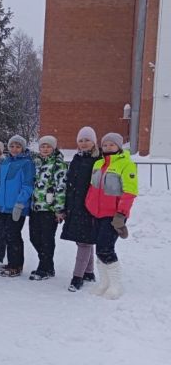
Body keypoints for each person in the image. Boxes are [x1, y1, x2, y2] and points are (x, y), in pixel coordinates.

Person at [84, 132, 137, 299]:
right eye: (105, 144)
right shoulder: (98, 163)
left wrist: (121, 215)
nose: (108, 147)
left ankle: (116, 285)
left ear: (119, 146)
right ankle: (104, 283)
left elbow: (129, 192)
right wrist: (89, 205)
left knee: (106, 249)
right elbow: (93, 188)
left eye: (111, 144)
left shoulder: (126, 164)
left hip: (113, 215)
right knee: (100, 249)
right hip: (96, 214)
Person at [61, 127, 101, 292]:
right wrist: (66, 206)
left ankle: (77, 277)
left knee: (84, 242)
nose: (84, 143)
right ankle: (89, 272)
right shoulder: (76, 159)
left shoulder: (98, 160)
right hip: (75, 206)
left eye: (87, 140)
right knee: (84, 240)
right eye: (81, 140)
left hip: (89, 207)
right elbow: (70, 184)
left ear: (94, 142)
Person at [0, 135, 35, 278]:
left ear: (22, 148)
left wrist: (20, 203)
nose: (14, 149)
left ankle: (16, 266)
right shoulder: (5, 162)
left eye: (18, 146)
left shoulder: (26, 163)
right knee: (6, 235)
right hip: (4, 207)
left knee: (13, 236)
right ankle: (11, 262)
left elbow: (28, 185)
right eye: (12, 146)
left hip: (17, 207)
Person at [28, 135, 67, 281]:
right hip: (35, 208)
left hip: (49, 210)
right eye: (42, 146)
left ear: (54, 148)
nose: (45, 149)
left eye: (48, 146)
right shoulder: (36, 163)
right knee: (34, 238)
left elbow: (61, 188)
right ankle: (47, 265)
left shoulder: (59, 164)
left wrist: (59, 209)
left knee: (46, 239)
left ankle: (44, 268)